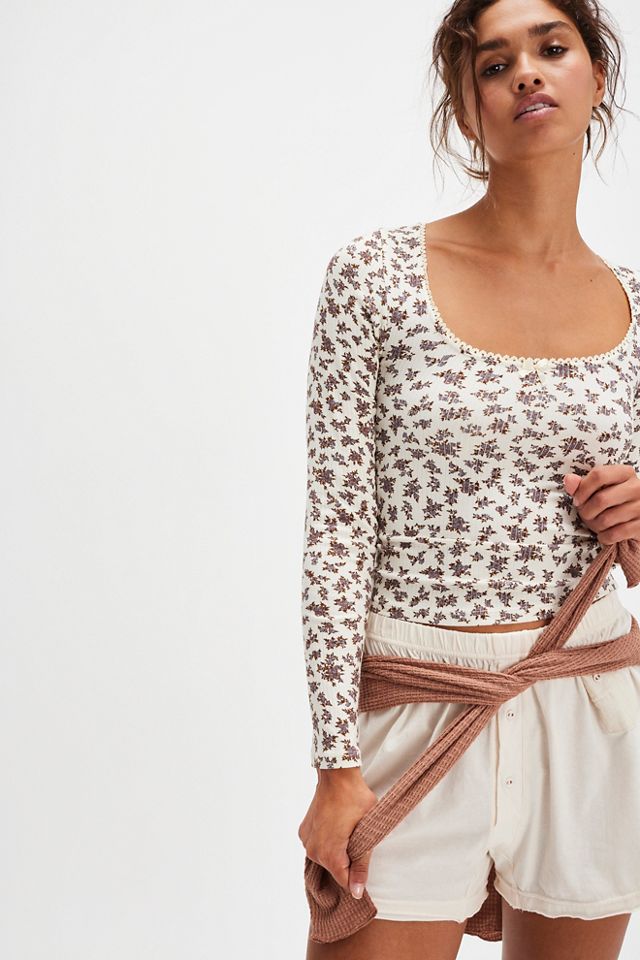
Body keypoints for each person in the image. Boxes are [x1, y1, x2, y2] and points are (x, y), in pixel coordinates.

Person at [298, 1, 640, 957]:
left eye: (552, 48)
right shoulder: (375, 278)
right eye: (494, 64)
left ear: (596, 77)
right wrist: (334, 763)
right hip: (416, 708)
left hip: (588, 706)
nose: (527, 72)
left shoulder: (637, 306)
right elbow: (337, 532)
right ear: (465, 107)